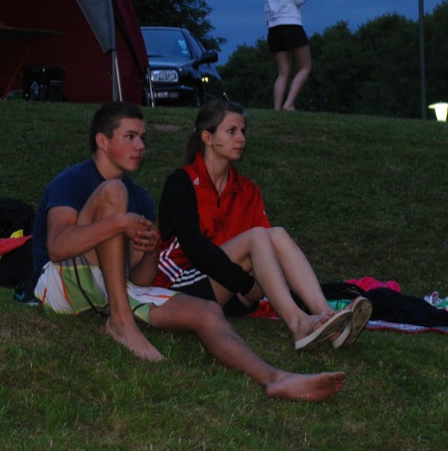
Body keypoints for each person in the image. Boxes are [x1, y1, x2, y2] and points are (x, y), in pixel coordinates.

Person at [31, 101, 348, 402]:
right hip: (62, 283)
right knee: (114, 191)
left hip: (115, 289)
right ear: (102, 140)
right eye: (130, 137)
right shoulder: (73, 181)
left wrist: (150, 250)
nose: (140, 146)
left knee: (206, 311)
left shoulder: (140, 198)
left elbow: (140, 278)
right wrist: (118, 223)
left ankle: (276, 379)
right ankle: (121, 323)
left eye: (143, 138)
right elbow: (58, 248)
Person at [154, 100, 372, 350]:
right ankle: (298, 323)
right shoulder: (181, 182)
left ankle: (328, 319)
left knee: (275, 234)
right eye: (231, 131)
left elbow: (268, 253)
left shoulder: (247, 190)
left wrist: (256, 284)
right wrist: (247, 284)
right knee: (258, 236)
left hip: (230, 292)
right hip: (181, 288)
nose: (241, 138)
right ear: (207, 137)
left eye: (243, 131)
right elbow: (196, 250)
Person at [264, 0, 313, 111]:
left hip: (274, 29)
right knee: (305, 67)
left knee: (283, 72)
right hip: (291, 25)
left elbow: (267, 9)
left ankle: (277, 109)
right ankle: (289, 103)